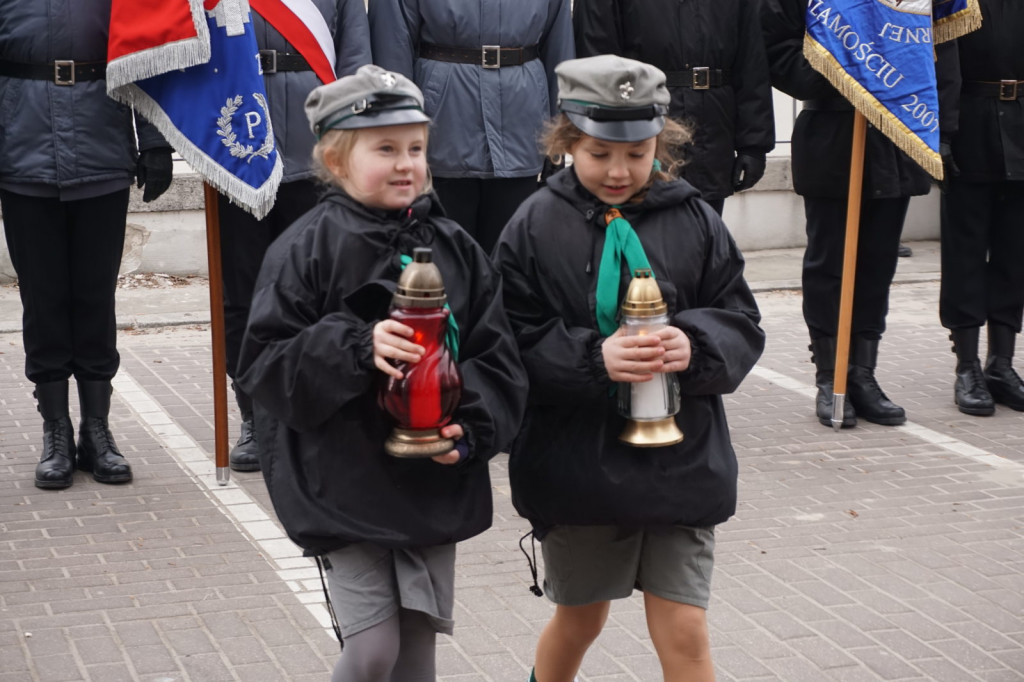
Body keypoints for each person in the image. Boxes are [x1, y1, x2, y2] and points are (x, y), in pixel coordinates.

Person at [235, 65, 528, 680]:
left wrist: (470, 431)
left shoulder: (456, 246)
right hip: (341, 480)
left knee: (418, 646)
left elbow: (496, 356)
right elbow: (264, 365)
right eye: (385, 149)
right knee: (372, 652)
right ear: (336, 160)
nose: (406, 164)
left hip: (428, 481)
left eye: (416, 149)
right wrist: (355, 346)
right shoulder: (304, 247)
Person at [494, 55, 765, 682]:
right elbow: (508, 339)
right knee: (580, 620)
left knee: (686, 630)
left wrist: (695, 345)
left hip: (682, 464)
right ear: (567, 142)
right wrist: (595, 358)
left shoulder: (695, 217)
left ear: (661, 146)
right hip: (580, 466)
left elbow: (741, 319)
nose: (619, 171)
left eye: (637, 154)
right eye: (598, 154)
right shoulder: (534, 224)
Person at [0, 0, 173, 490]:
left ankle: (97, 429)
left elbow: (147, 53)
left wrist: (156, 142)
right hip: (23, 151)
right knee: (43, 297)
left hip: (102, 146)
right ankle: (55, 429)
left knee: (95, 297)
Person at [761, 0, 930, 428]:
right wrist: (848, 70)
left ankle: (863, 375)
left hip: (894, 134)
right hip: (832, 136)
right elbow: (779, 53)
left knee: (877, 263)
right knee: (830, 265)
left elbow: (932, 48)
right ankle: (829, 375)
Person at [218, 0, 371, 472]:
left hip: (314, 148)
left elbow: (354, 60)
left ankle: (314, 406)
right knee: (242, 292)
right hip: (237, 142)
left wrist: (350, 140)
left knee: (321, 289)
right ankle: (254, 413)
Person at [368, 0, 574, 254]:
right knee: (442, 259)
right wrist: (397, 134)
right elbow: (393, 48)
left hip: (522, 123)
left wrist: (559, 133)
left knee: (512, 260)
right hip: (443, 128)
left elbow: (559, 46)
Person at [572, 0, 776, 215]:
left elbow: (751, 59)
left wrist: (753, 146)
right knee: (645, 238)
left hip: (712, 132)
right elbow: (597, 59)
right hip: (642, 130)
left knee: (704, 234)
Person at [938, 0, 1024, 415]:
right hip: (969, 123)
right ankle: (967, 365)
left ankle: (1001, 364)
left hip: (1022, 124)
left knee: (1015, 252)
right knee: (965, 253)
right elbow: (940, 60)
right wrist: (943, 133)